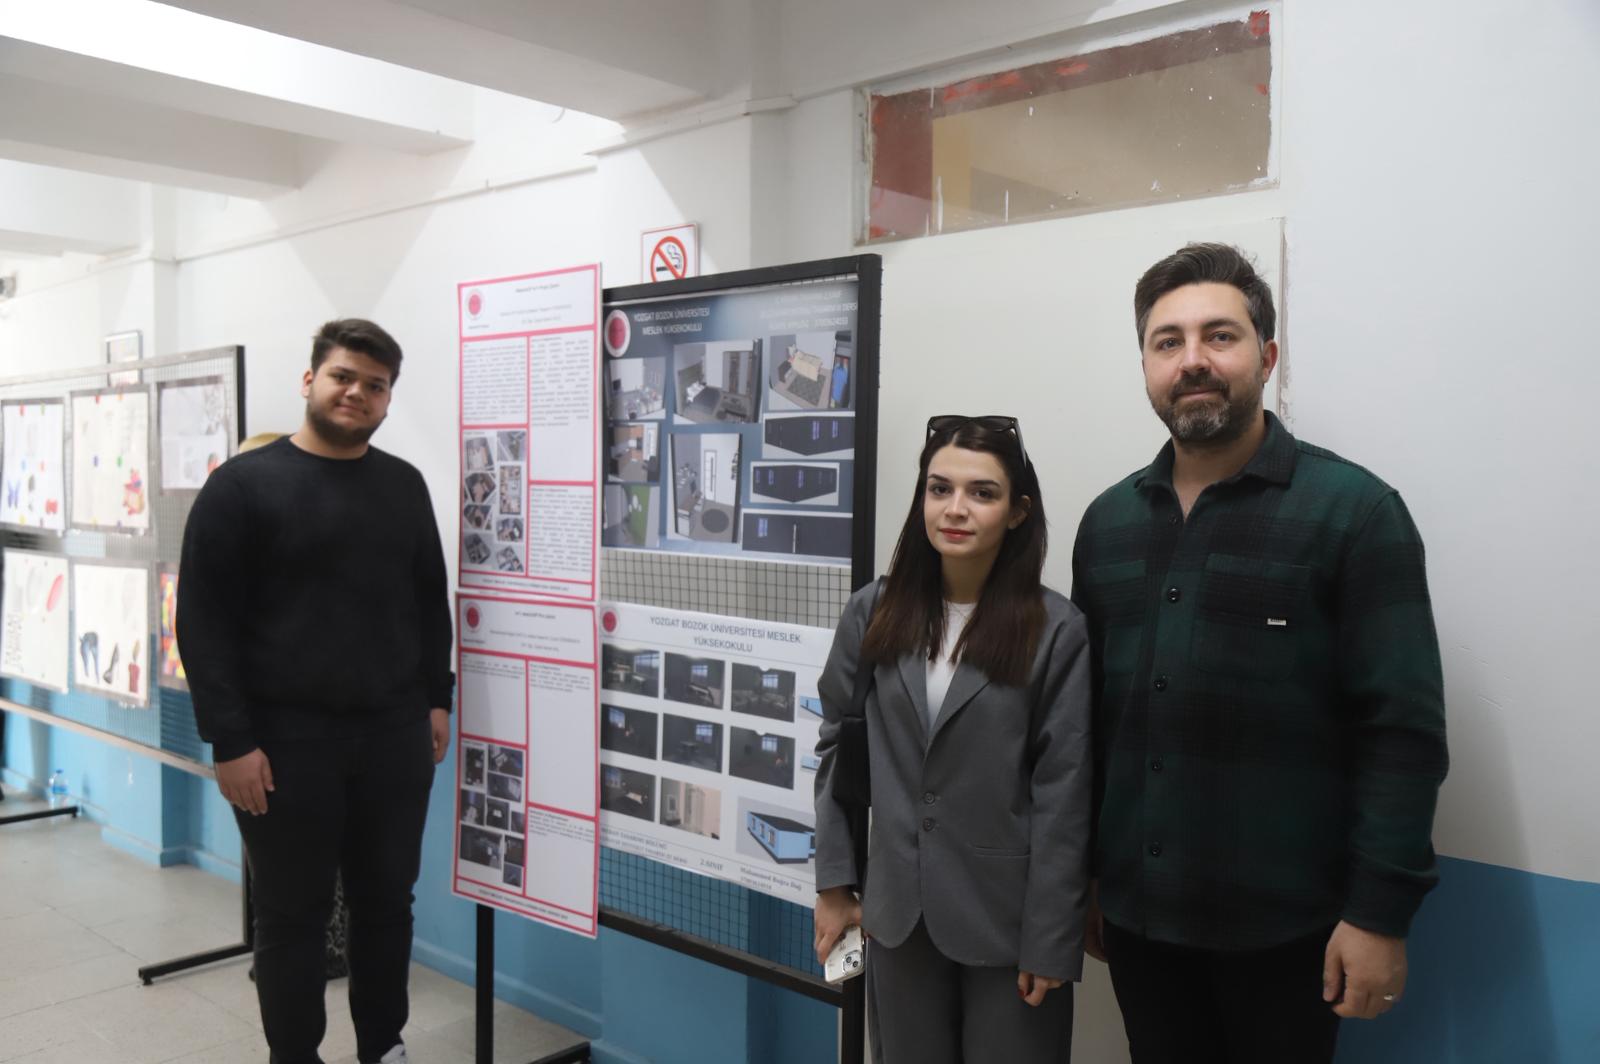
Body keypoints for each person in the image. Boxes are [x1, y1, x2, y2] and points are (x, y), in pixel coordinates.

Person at [1070, 244, 1449, 1063]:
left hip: (1288, 932)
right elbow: (1095, 725)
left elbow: (1402, 735)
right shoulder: (1107, 525)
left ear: (1267, 357)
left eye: (1220, 335)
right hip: (1139, 920)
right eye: (1167, 341)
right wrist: (1093, 874)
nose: (1192, 360)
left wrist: (1379, 915)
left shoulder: (1354, 514)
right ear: (1146, 365)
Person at [179, 319, 454, 1064]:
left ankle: (383, 1047)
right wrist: (231, 740)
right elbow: (202, 622)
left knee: (387, 905)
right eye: (343, 376)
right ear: (310, 380)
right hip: (283, 746)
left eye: (375, 384)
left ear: (388, 398)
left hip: (393, 737)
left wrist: (437, 698)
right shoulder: (242, 487)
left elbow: (429, 600)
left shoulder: (403, 485)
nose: (357, 392)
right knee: (292, 915)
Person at [813, 415, 1092, 1063]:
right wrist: (834, 883)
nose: (955, 509)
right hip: (897, 915)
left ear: (1018, 512)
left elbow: (1065, 792)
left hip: (1009, 925)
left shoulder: (1056, 630)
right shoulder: (873, 611)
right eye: (939, 489)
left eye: (982, 493)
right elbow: (836, 748)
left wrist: (1052, 938)